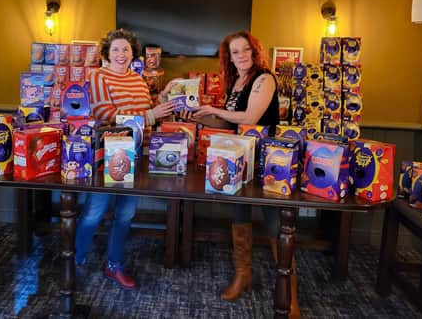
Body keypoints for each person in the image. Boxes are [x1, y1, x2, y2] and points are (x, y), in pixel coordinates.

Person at [165, 30, 299, 316]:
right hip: (239, 156)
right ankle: (243, 275)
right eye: (235, 51)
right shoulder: (237, 82)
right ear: (229, 56)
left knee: (276, 224)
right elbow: (228, 125)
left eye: (245, 49)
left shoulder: (265, 78)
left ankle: (290, 298)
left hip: (268, 160)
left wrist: (214, 108)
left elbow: (250, 118)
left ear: (254, 51)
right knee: (239, 214)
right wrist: (199, 115)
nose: (241, 55)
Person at [75, 29, 174, 289]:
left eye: (126, 50)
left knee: (126, 214)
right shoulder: (97, 76)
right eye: (116, 49)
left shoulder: (139, 80)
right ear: (107, 53)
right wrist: (151, 114)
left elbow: (144, 113)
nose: (121, 54)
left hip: (136, 152)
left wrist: (162, 102)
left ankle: (114, 265)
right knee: (94, 212)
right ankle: (75, 259)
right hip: (109, 151)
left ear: (133, 54)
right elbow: (106, 113)